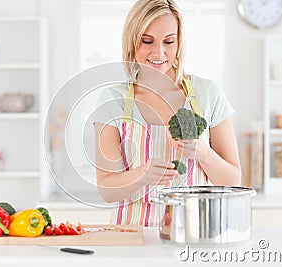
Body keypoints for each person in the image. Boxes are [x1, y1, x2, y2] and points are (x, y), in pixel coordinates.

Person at [93, 0, 241, 226]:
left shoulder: (207, 94)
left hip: (195, 233)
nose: (159, 52)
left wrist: (203, 152)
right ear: (132, 42)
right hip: (134, 236)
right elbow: (106, 189)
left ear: (179, 43)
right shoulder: (113, 100)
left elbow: (233, 179)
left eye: (169, 41)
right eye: (147, 41)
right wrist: (142, 175)